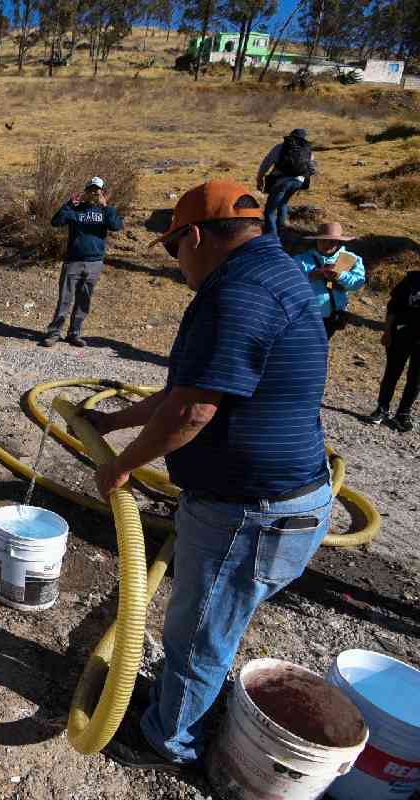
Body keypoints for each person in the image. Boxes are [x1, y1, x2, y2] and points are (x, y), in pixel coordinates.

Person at [83, 180, 332, 772]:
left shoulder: (238, 294)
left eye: (173, 249)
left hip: (251, 512)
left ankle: (168, 741)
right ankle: (176, 707)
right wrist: (115, 421)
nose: (176, 265)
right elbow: (186, 393)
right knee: (202, 622)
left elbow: (194, 413)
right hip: (265, 504)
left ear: (194, 236)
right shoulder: (273, 272)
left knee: (198, 636)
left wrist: (121, 466)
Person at [41, 177, 123, 348]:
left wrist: (106, 206)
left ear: (102, 192)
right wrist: (69, 204)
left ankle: (74, 333)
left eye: (97, 190)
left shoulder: (106, 212)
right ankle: (54, 333)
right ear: (86, 192)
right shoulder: (76, 209)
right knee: (65, 298)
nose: (94, 193)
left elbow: (116, 226)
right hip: (74, 261)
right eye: (91, 189)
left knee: (84, 299)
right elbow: (56, 222)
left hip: (95, 263)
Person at [368, 268, 420, 432]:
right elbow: (393, 306)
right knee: (392, 373)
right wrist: (387, 331)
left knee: (416, 379)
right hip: (402, 333)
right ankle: (382, 408)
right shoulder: (412, 279)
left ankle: (403, 414)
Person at [294, 222, 366, 340]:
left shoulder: (351, 259)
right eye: (323, 240)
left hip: (333, 317)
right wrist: (311, 276)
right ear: (316, 240)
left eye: (332, 241)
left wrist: (340, 276)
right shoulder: (301, 260)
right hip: (306, 316)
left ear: (338, 242)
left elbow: (357, 283)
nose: (327, 244)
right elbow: (290, 283)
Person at [256, 128, 317, 239]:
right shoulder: (308, 151)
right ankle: (282, 233)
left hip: (281, 182)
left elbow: (266, 163)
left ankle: (272, 237)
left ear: (290, 136)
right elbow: (312, 169)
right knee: (283, 203)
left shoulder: (280, 147)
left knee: (270, 210)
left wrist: (259, 178)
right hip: (297, 182)